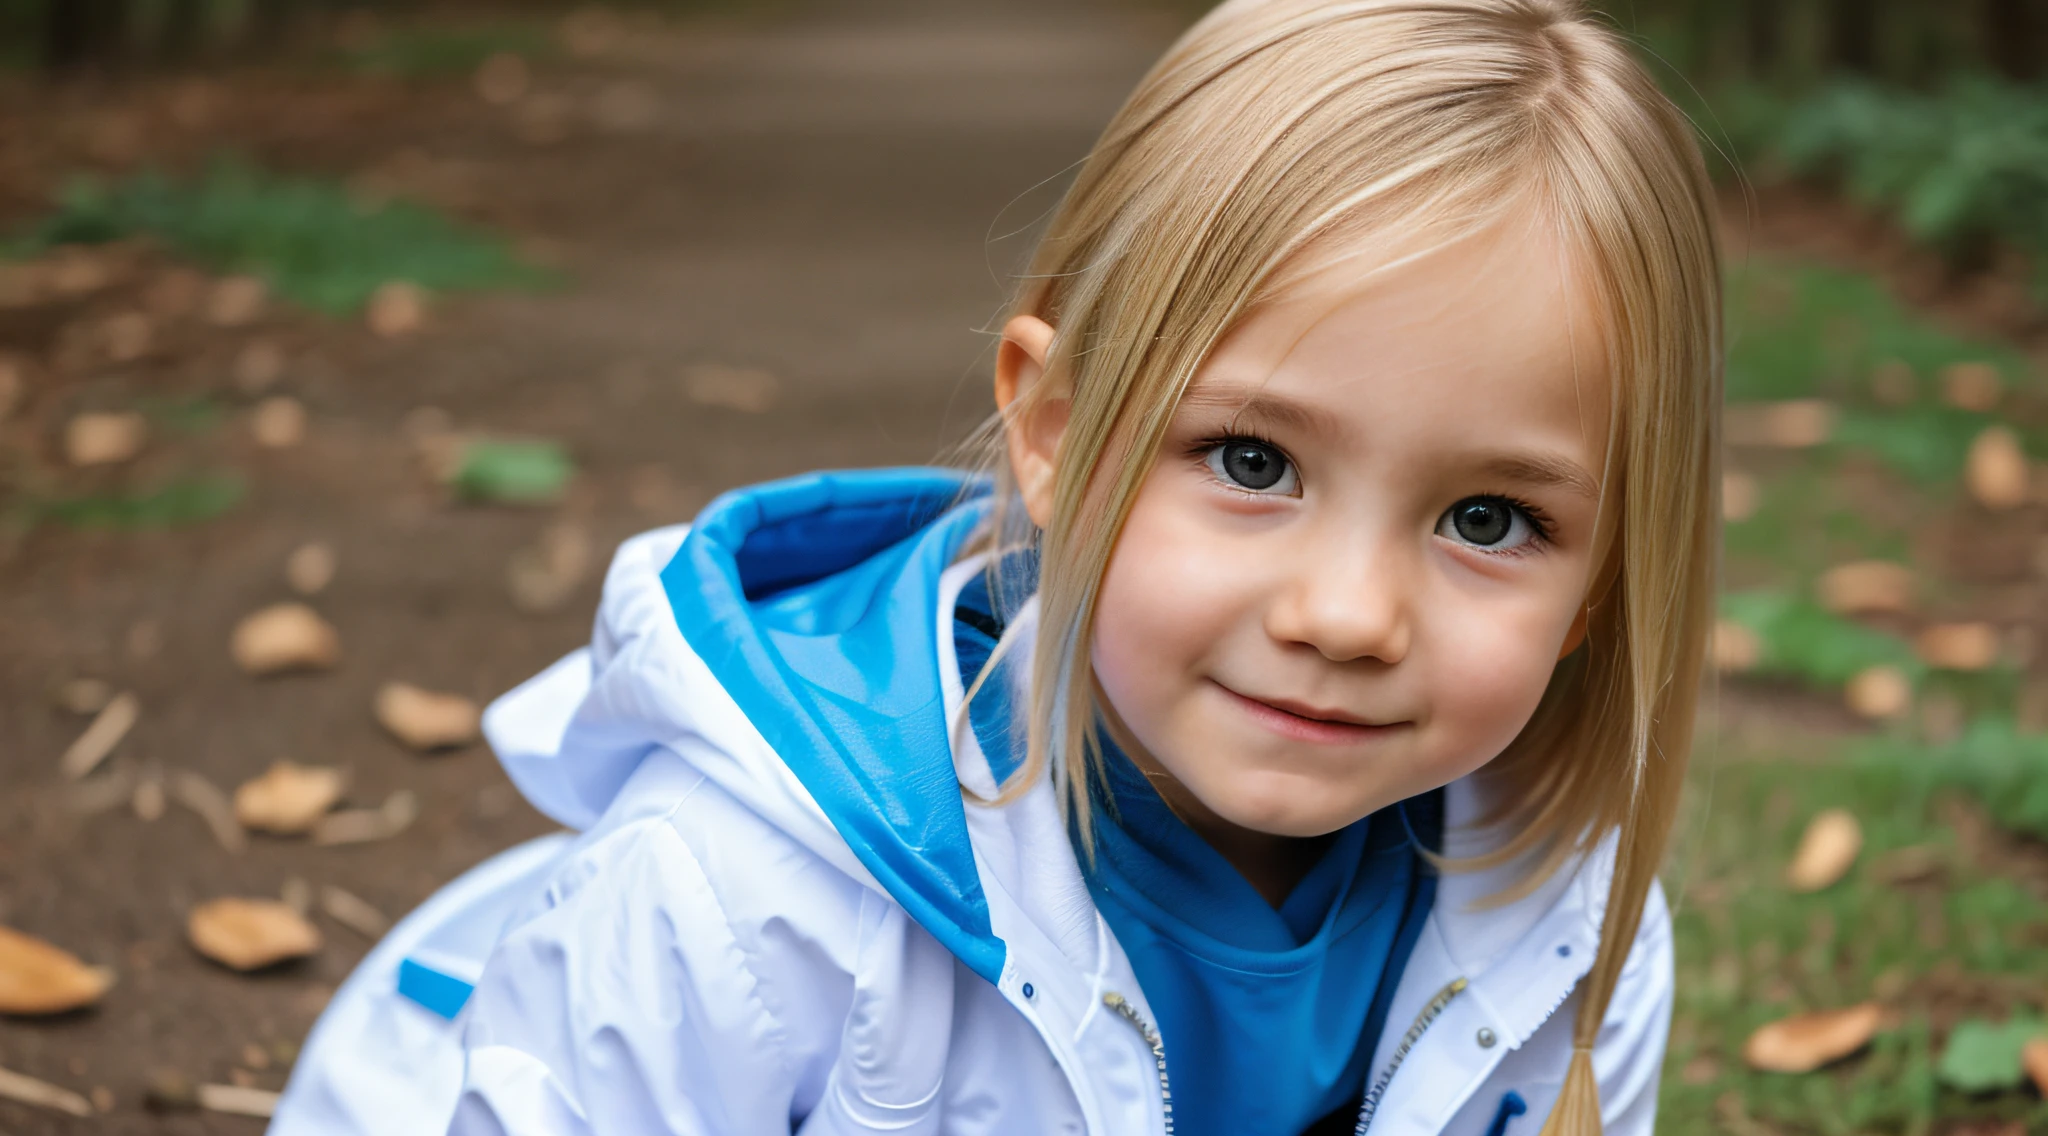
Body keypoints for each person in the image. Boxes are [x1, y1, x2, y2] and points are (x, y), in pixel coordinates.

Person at [271, 1, 1720, 1133]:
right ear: (1055, 430)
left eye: (1488, 521)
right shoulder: (731, 909)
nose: (1346, 617)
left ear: (1606, 581)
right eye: (1254, 462)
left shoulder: (1566, 930)